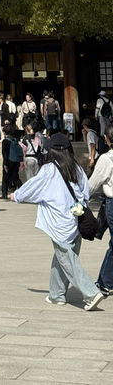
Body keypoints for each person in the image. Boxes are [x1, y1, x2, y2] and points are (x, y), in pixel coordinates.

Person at [11, 132, 104, 310]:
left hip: (59, 222)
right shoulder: (76, 167)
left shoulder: (49, 169)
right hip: (76, 220)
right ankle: (56, 294)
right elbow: (86, 191)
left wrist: (16, 195)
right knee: (63, 258)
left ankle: (91, 293)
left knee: (68, 260)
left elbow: (33, 186)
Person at [87, 123, 113, 297]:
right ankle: (105, 282)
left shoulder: (106, 159)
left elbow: (93, 184)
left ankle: (105, 282)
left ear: (106, 139)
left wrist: (80, 198)